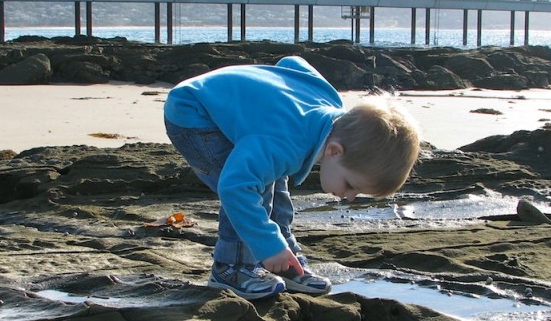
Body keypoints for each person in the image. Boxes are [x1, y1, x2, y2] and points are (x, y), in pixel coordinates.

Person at [164, 56, 421, 300]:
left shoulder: (328, 105)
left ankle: (284, 259)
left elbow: (292, 64)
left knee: (272, 180)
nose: (349, 196)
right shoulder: (284, 144)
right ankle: (231, 268)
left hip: (220, 102)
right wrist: (265, 243)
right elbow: (235, 188)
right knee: (250, 190)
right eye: (351, 185)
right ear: (334, 151)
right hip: (194, 114)